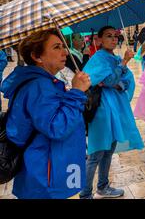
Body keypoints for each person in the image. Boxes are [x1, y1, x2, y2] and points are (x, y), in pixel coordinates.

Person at [1, 29, 91, 199]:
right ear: (37, 56)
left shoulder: (44, 83)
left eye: (63, 46)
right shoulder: (39, 86)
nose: (65, 52)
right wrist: (77, 92)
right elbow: (57, 127)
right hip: (49, 179)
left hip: (52, 170)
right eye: (57, 47)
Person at [80, 26, 144, 199]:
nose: (114, 39)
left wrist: (117, 81)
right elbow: (108, 80)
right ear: (99, 40)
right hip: (102, 109)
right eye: (109, 36)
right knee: (96, 152)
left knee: (109, 149)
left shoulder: (113, 57)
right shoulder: (99, 58)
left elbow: (126, 80)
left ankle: (103, 186)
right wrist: (122, 65)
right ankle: (85, 193)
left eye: (115, 36)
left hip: (115, 108)